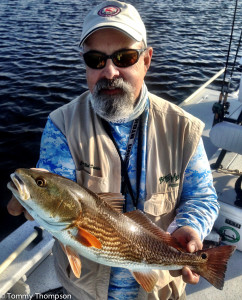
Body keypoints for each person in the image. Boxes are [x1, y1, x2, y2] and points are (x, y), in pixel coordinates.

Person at [7, 1, 219, 299]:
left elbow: (201, 196)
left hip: (159, 288)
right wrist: (36, 196)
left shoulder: (185, 129)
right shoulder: (62, 125)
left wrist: (191, 228)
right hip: (84, 290)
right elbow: (55, 183)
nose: (109, 71)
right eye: (95, 59)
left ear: (146, 60)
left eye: (124, 57)